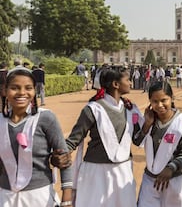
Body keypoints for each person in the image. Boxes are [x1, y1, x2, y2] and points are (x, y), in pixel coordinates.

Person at [55, 67, 144, 206]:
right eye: (128, 80)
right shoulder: (93, 109)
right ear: (116, 84)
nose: (131, 83)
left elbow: (137, 140)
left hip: (123, 172)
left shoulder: (130, 109)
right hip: (96, 173)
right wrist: (61, 154)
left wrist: (148, 123)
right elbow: (74, 139)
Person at [0, 67, 72, 206]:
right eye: (14, 87)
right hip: (5, 197)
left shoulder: (46, 118)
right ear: (5, 90)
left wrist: (67, 199)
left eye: (28, 88)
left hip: (39, 196)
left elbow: (65, 160)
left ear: (34, 91)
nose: (22, 92)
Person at [135, 81, 182, 207]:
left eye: (164, 100)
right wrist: (147, 124)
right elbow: (137, 141)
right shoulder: (148, 120)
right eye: (154, 101)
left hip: (175, 180)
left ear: (171, 99)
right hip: (150, 180)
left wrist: (170, 168)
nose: (160, 105)